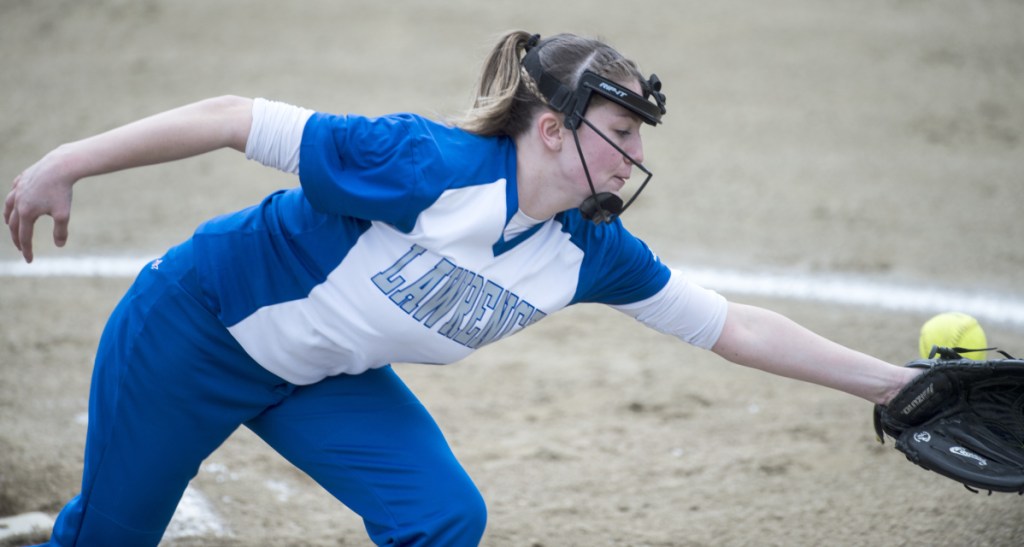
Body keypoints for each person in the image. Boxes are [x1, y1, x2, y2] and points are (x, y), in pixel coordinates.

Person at [4, 31, 920, 546]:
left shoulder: (587, 250)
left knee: (441, 516)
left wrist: (893, 385)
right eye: (621, 131)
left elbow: (733, 326)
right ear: (553, 130)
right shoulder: (425, 164)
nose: (639, 156)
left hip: (317, 373)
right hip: (194, 332)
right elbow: (230, 118)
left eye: (642, 137)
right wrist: (67, 163)